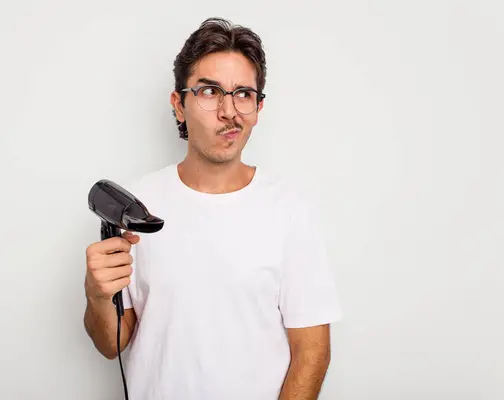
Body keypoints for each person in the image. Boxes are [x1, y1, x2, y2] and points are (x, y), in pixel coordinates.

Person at [83, 17, 343, 400]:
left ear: (258, 106)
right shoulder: (137, 206)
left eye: (243, 94)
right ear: (179, 105)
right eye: (209, 91)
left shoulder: (289, 209)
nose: (229, 111)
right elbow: (111, 344)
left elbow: (312, 350)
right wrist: (96, 293)